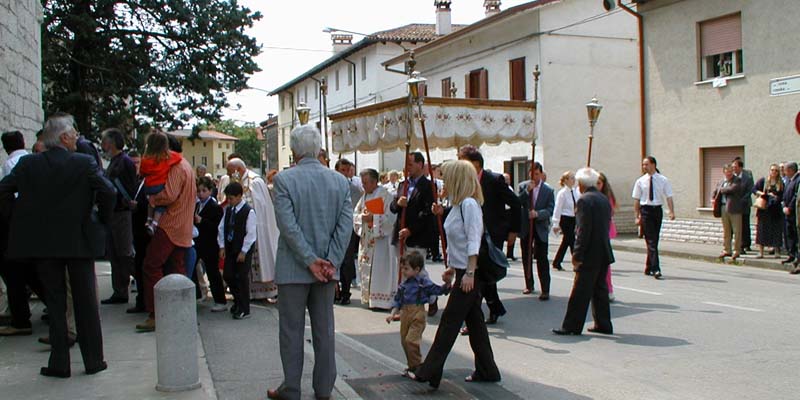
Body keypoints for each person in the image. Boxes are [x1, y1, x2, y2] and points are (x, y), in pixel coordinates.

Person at [0, 113, 115, 377]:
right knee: (85, 302)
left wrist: (18, 217)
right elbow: (108, 191)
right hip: (79, 240)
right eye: (73, 133)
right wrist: (99, 220)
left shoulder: (29, 164)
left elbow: (3, 191)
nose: (76, 137)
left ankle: (59, 362)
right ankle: (93, 360)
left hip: (44, 243)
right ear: (64, 137)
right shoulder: (83, 162)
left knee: (54, 303)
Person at [267, 125, 352, 400]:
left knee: (291, 331)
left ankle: (291, 388)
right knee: (324, 330)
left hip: (294, 268)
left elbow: (287, 226)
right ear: (318, 149)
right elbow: (345, 227)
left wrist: (309, 260)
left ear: (294, 151)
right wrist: (331, 261)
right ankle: (324, 388)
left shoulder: (284, 180)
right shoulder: (340, 181)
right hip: (327, 269)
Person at [408, 160, 500, 389]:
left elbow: (474, 240)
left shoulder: (469, 204)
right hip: (463, 270)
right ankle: (488, 369)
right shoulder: (459, 205)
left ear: (456, 180)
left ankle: (430, 371)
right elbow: (458, 242)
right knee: (475, 323)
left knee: (449, 322)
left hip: (469, 273)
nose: (443, 182)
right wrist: (453, 267)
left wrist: (469, 271)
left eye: (446, 178)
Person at [136, 132, 196, 332]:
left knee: (151, 265)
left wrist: (152, 199)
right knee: (176, 268)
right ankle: (178, 312)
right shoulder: (185, 165)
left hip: (171, 224)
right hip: (181, 224)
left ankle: (156, 313)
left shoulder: (177, 167)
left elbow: (169, 194)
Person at [458, 145, 521, 324]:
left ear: (476, 164)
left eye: (463, 161)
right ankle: (493, 308)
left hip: (492, 234)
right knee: (481, 276)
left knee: (483, 273)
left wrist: (513, 230)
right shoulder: (464, 181)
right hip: (473, 233)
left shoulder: (494, 180)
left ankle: (474, 318)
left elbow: (515, 203)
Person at [553, 167, 614, 336]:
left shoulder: (584, 201)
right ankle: (603, 323)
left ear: (580, 184)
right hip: (603, 250)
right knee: (600, 289)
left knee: (580, 290)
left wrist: (577, 254)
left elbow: (582, 231)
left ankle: (571, 325)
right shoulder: (603, 199)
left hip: (589, 252)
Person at [385, 252, 450, 375]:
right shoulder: (403, 285)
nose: (403, 271)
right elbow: (398, 301)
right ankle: (412, 365)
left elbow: (436, 289)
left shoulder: (422, 283)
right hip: (405, 313)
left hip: (418, 312)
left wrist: (446, 286)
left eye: (406, 269)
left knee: (411, 340)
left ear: (417, 270)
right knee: (404, 341)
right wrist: (392, 314)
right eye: (402, 268)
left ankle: (417, 365)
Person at [225, 158, 279, 302]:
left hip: (257, 229)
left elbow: (260, 207)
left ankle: (263, 292)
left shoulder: (255, 181)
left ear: (237, 170)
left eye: (230, 172)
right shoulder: (238, 182)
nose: (228, 175)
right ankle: (247, 292)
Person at [391, 152, 437, 313]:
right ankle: (408, 304)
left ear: (420, 164)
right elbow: (392, 208)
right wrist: (398, 203)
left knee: (418, 271)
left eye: (410, 164)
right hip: (400, 235)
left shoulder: (428, 186)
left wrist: (410, 230)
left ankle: (432, 297)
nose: (407, 168)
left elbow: (427, 212)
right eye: (406, 164)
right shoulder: (402, 184)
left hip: (417, 236)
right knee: (405, 270)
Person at [99, 128, 138, 305]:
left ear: (111, 143)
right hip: (115, 212)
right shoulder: (117, 161)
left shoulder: (124, 162)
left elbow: (131, 189)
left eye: (104, 141)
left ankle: (141, 284)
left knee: (124, 253)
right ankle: (120, 291)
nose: (102, 145)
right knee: (115, 253)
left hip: (121, 213)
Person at [354, 168, 397, 309]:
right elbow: (356, 214)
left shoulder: (386, 196)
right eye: (362, 183)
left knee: (380, 271)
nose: (363, 186)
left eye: (365, 183)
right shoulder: (364, 197)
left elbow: (391, 218)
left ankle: (382, 301)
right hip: (367, 240)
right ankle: (370, 299)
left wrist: (374, 218)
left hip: (381, 243)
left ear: (374, 182)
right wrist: (362, 218)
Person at [217, 182, 257, 319]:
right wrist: (222, 246)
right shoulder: (229, 210)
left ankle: (244, 308)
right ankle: (237, 301)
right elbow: (222, 228)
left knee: (241, 278)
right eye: (228, 198)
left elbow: (251, 233)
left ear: (239, 196)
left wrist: (244, 251)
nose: (229, 201)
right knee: (228, 275)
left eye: (231, 198)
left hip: (242, 250)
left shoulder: (248, 212)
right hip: (231, 248)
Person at [632, 156, 675, 279]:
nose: (644, 167)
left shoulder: (663, 180)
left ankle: (648, 266)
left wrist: (671, 211)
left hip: (657, 210)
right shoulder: (640, 181)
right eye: (643, 165)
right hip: (646, 211)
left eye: (646, 164)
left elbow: (669, 196)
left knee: (654, 240)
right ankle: (656, 268)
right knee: (651, 240)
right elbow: (636, 199)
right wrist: (637, 216)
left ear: (653, 165)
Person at [518, 162, 554, 299]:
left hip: (540, 228)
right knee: (526, 257)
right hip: (526, 227)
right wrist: (527, 191)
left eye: (537, 174)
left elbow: (550, 209)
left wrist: (538, 214)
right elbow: (517, 202)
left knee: (542, 258)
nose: (534, 176)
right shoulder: (523, 186)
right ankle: (529, 284)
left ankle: (545, 289)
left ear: (541, 174)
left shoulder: (548, 190)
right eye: (532, 174)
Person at [139, 131, 183, 235]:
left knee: (151, 203)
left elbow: (142, 172)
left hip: (148, 186)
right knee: (161, 205)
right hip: (160, 186)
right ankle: (154, 223)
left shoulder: (145, 160)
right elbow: (179, 157)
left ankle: (149, 219)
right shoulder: (166, 158)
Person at [194, 176, 225, 311]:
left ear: (210, 191)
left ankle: (220, 301)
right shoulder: (197, 205)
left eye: (204, 191)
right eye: (198, 191)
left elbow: (217, 227)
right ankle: (198, 294)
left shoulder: (215, 207)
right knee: (192, 268)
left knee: (213, 272)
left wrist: (202, 221)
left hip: (210, 244)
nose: (201, 194)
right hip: (198, 242)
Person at [336, 159, 362, 305]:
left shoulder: (354, 188)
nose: (345, 173)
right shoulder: (329, 185)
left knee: (347, 260)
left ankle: (345, 292)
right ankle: (335, 290)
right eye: (343, 170)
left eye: (347, 170)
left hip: (348, 228)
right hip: (332, 227)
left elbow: (358, 207)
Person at [713, 165, 744, 260]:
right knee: (726, 230)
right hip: (723, 207)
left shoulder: (737, 180)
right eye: (727, 171)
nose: (729, 173)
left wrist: (721, 190)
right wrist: (713, 197)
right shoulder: (721, 181)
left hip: (734, 208)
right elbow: (715, 192)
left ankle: (737, 251)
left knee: (737, 230)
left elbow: (731, 189)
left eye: (731, 171)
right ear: (724, 172)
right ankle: (727, 250)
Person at [753, 164, 785, 258]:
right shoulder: (763, 181)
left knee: (776, 231)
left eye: (776, 170)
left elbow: (783, 195)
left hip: (775, 210)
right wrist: (762, 193)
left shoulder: (781, 183)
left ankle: (777, 251)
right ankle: (761, 252)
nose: (774, 172)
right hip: (764, 210)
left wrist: (776, 197)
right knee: (762, 231)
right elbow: (754, 189)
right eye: (772, 170)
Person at [551, 171, 580, 271]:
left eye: (574, 178)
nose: (573, 180)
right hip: (565, 218)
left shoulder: (575, 192)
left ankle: (557, 262)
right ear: (566, 180)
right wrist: (556, 223)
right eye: (571, 178)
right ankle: (576, 262)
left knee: (567, 241)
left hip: (573, 218)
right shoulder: (562, 193)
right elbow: (558, 208)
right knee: (571, 240)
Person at [597, 172, 617, 301]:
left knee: (605, 263)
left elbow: (609, 214)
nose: (596, 186)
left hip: (604, 231)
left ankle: (609, 289)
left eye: (599, 183)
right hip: (593, 232)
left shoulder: (606, 198)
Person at [732, 158, 754, 254]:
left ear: (740, 167)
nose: (734, 169)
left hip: (744, 204)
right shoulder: (732, 177)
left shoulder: (747, 177)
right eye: (733, 167)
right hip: (734, 205)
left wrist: (741, 201)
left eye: (735, 167)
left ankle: (746, 244)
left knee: (745, 225)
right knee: (737, 226)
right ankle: (740, 246)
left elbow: (750, 190)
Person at [782, 162, 800, 269]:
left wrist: (790, 208)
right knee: (789, 235)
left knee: (795, 235)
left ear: (790, 170)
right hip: (787, 211)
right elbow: (785, 194)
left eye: (785, 170)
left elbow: (796, 196)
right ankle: (791, 254)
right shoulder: (789, 180)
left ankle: (797, 256)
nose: (784, 172)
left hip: (794, 213)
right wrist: (784, 205)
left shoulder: (798, 180)